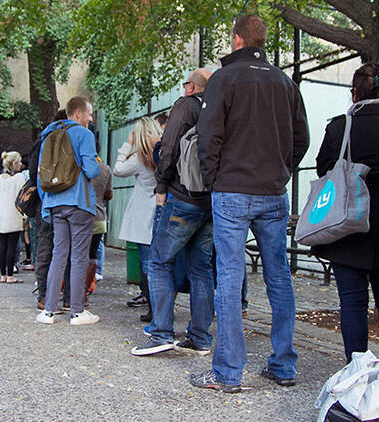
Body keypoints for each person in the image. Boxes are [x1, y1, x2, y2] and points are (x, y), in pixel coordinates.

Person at [190, 15, 309, 393]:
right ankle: (283, 364)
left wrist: (215, 179)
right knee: (279, 276)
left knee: (229, 275)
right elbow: (301, 138)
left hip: (233, 189)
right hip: (273, 191)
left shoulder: (224, 79)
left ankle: (227, 372)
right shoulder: (285, 83)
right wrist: (281, 171)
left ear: (236, 39)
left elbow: (209, 137)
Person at [311, 63, 379, 399]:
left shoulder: (341, 126)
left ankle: (355, 372)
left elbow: (324, 166)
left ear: (354, 91)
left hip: (347, 223)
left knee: (353, 303)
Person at [131, 68, 216, 357]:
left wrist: (162, 185)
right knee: (201, 268)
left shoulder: (185, 106)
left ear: (191, 87)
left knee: (158, 262)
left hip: (182, 197)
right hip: (210, 200)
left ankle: (161, 332)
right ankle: (201, 337)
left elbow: (168, 148)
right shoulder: (220, 108)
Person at [35, 97, 101, 326]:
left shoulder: (48, 136)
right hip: (79, 202)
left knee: (58, 255)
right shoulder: (84, 135)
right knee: (79, 257)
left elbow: (40, 175)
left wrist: (48, 202)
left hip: (54, 202)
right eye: (89, 114)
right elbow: (92, 170)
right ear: (78, 114)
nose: (91, 119)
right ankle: (77, 311)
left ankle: (49, 311)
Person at [113, 117, 161, 316]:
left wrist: (128, 144)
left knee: (147, 264)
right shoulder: (162, 156)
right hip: (160, 212)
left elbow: (118, 170)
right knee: (159, 265)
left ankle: (154, 311)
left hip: (143, 217)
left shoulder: (140, 159)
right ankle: (159, 309)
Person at [30, 109, 68, 311]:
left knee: (46, 249)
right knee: (65, 250)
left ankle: (45, 294)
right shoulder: (65, 141)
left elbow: (32, 172)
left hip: (44, 203)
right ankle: (64, 296)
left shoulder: (41, 141)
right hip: (62, 202)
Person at [84, 140, 113, 296]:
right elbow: (109, 194)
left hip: (81, 217)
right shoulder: (105, 168)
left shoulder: (78, 167)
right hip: (99, 216)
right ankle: (86, 289)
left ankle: (70, 291)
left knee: (75, 255)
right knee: (92, 255)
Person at [0, 151, 27, 283]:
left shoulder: (1, 178)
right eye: (19, 162)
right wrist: (25, 216)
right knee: (12, 246)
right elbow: (23, 198)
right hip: (13, 215)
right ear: (14, 163)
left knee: (2, 246)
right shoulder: (19, 178)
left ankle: (3, 275)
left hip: (1, 215)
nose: (21, 164)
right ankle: (10, 275)